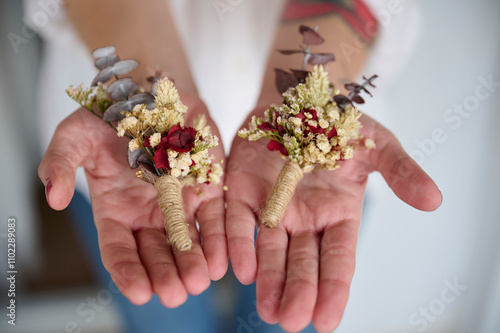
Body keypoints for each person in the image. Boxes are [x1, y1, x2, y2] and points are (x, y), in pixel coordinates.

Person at [37, 0, 442, 332]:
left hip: (324, 192)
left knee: (285, 311)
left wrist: (312, 97)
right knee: (164, 318)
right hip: (119, 182)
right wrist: (142, 99)